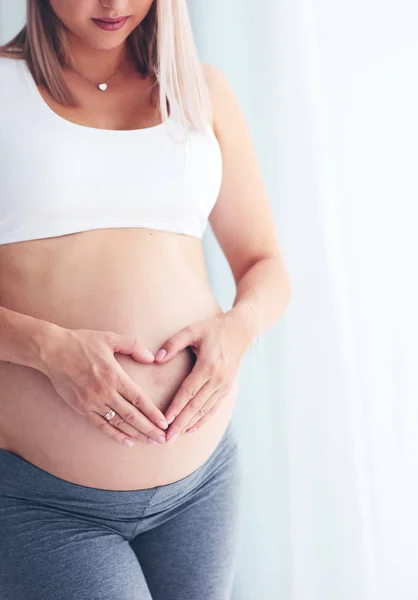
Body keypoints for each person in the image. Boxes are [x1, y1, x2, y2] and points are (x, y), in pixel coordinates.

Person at [0, 1, 291, 599]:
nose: (113, 4)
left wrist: (235, 333)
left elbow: (265, 267)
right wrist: (50, 350)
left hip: (203, 485)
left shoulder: (200, 92)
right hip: (46, 499)